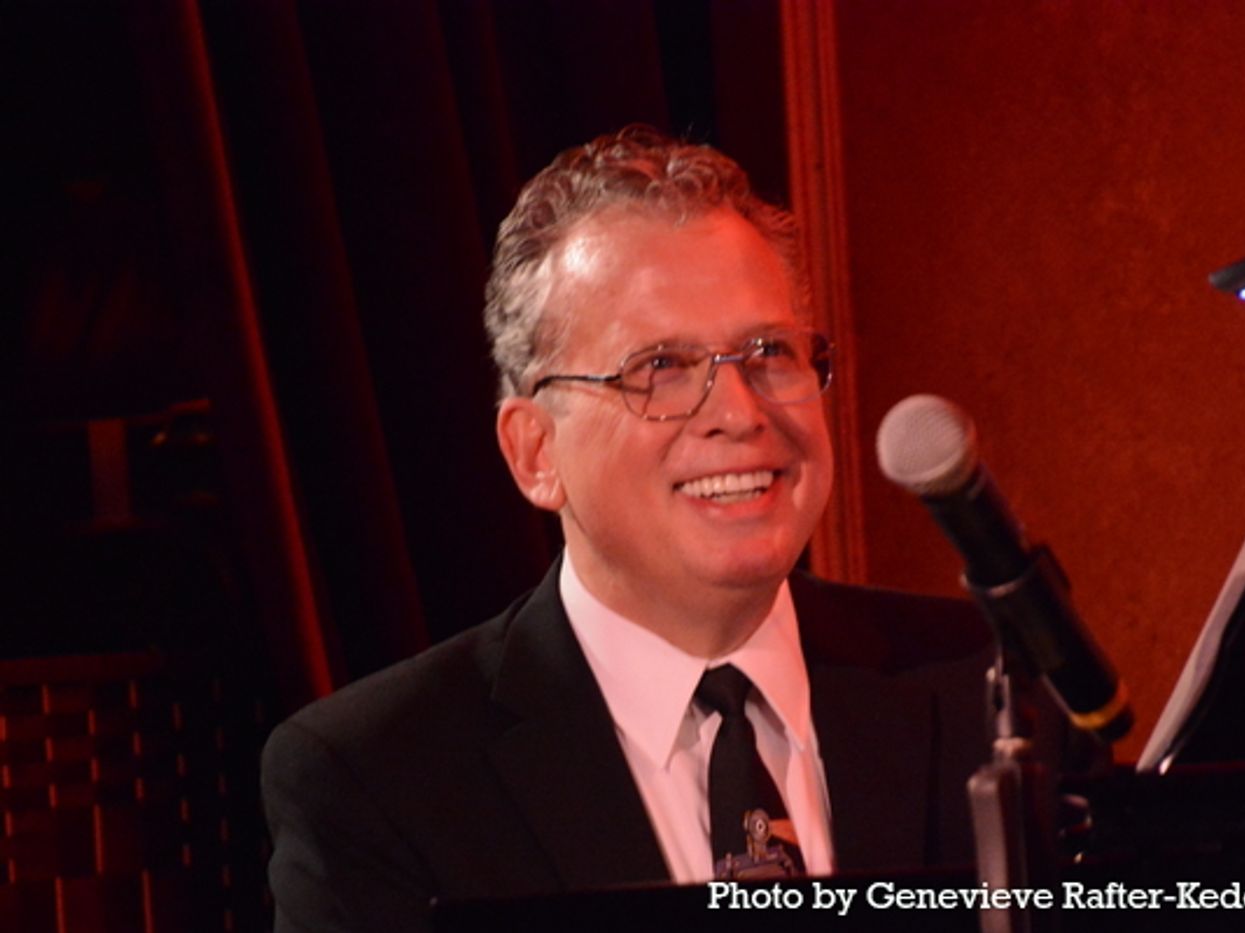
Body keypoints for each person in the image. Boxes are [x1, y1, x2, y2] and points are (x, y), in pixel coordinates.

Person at [261, 125, 1049, 932]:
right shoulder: (379, 779)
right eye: (660, 368)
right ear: (535, 451)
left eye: (769, 351)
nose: (740, 413)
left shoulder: (988, 687)